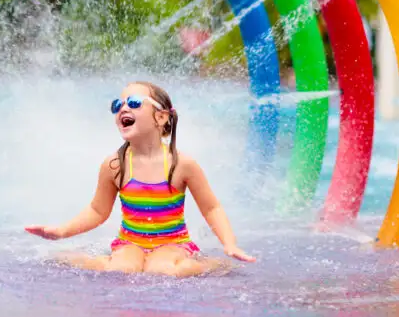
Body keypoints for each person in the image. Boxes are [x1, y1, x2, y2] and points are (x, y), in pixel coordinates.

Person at [25, 81, 255, 277]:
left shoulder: (182, 164)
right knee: (121, 270)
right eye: (117, 105)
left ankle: (211, 265)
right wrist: (62, 231)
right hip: (130, 242)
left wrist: (229, 243)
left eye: (134, 103)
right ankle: (79, 259)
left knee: (161, 271)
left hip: (172, 243)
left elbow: (211, 207)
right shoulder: (114, 165)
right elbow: (97, 211)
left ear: (161, 117)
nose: (123, 108)